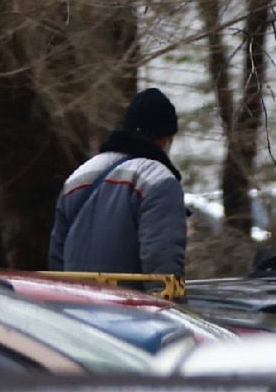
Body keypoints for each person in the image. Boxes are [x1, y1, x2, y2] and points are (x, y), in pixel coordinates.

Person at [49, 88, 187, 278]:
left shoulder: (80, 175)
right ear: (165, 138)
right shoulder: (158, 180)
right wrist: (172, 306)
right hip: (128, 307)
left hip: (76, 304)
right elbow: (162, 263)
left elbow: (57, 259)